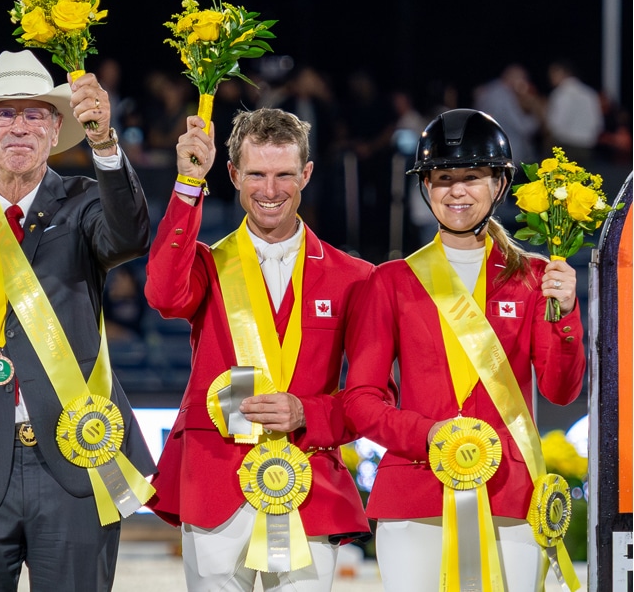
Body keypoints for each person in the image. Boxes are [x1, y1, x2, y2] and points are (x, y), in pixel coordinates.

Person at [0, 49, 157, 592]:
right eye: (5, 113)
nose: (19, 126)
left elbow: (132, 235)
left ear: (54, 130)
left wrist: (105, 146)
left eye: (34, 114)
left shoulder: (87, 203)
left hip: (75, 461)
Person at [342, 109, 585, 591]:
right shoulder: (389, 282)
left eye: (472, 176)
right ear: (425, 186)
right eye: (442, 178)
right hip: (415, 492)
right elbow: (361, 400)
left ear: (498, 184)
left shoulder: (536, 277)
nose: (456, 190)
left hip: (511, 494)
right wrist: (430, 434)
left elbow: (560, 391)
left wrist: (567, 311)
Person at [145, 108, 372, 592]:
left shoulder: (354, 277)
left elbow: (373, 395)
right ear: (232, 174)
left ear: (306, 174)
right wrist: (188, 184)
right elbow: (163, 295)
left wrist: (307, 411)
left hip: (306, 481)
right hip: (214, 482)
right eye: (256, 175)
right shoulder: (205, 265)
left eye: (284, 174)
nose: (271, 190)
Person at [543, 59, 604, 162]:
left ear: (561, 72)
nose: (550, 77)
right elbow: (598, 123)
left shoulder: (560, 94)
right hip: (587, 148)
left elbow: (555, 125)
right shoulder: (589, 93)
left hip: (565, 148)